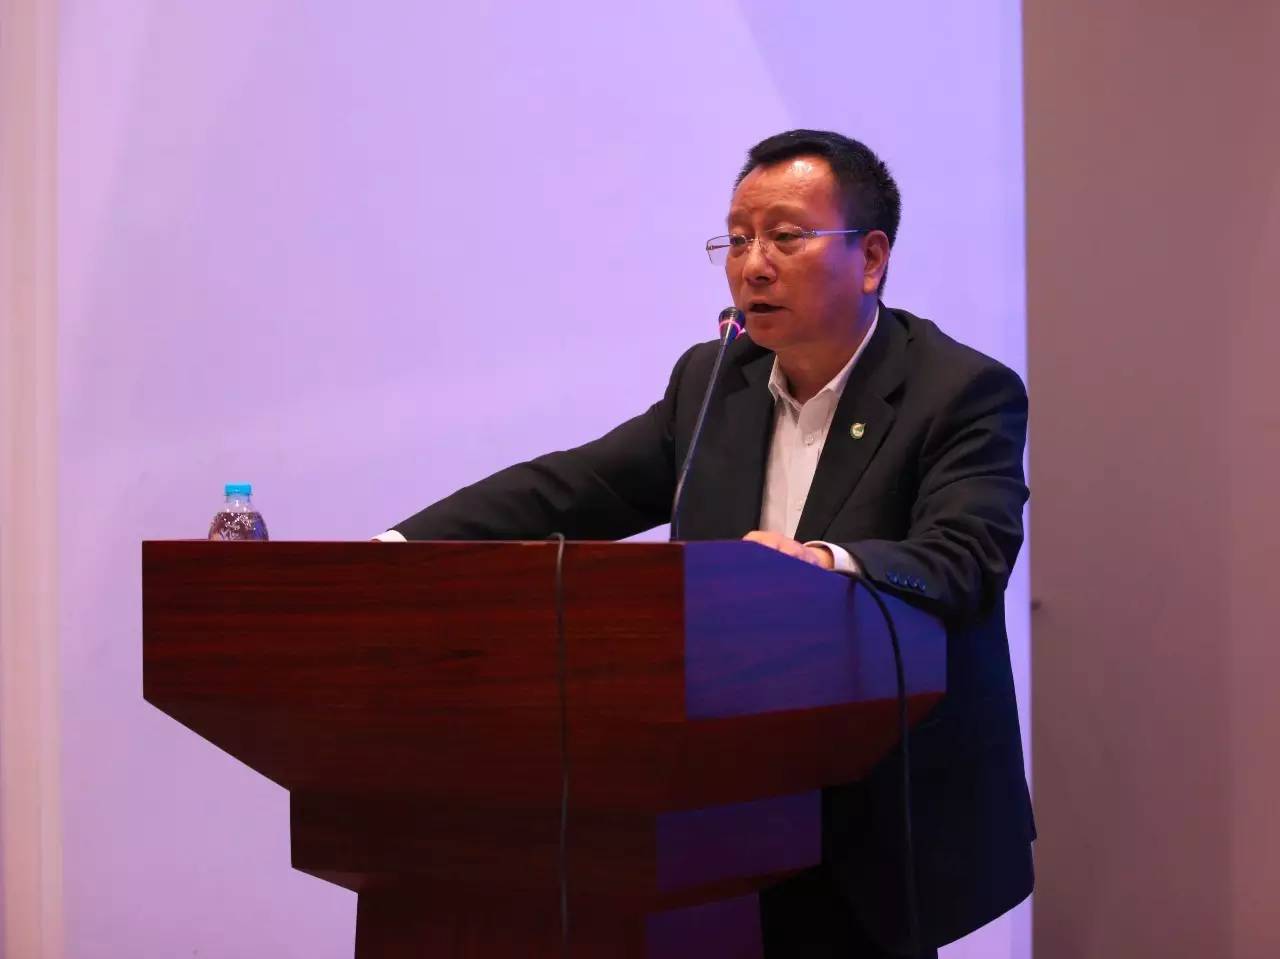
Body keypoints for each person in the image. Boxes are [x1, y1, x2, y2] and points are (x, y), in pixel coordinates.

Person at [379, 129, 1034, 958]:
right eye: (737, 239)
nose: (753, 265)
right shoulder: (716, 378)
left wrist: (824, 564)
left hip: (881, 812)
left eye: (785, 236)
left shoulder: (959, 390)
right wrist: (399, 546)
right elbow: (577, 486)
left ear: (871, 258)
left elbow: (965, 556)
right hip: (723, 811)